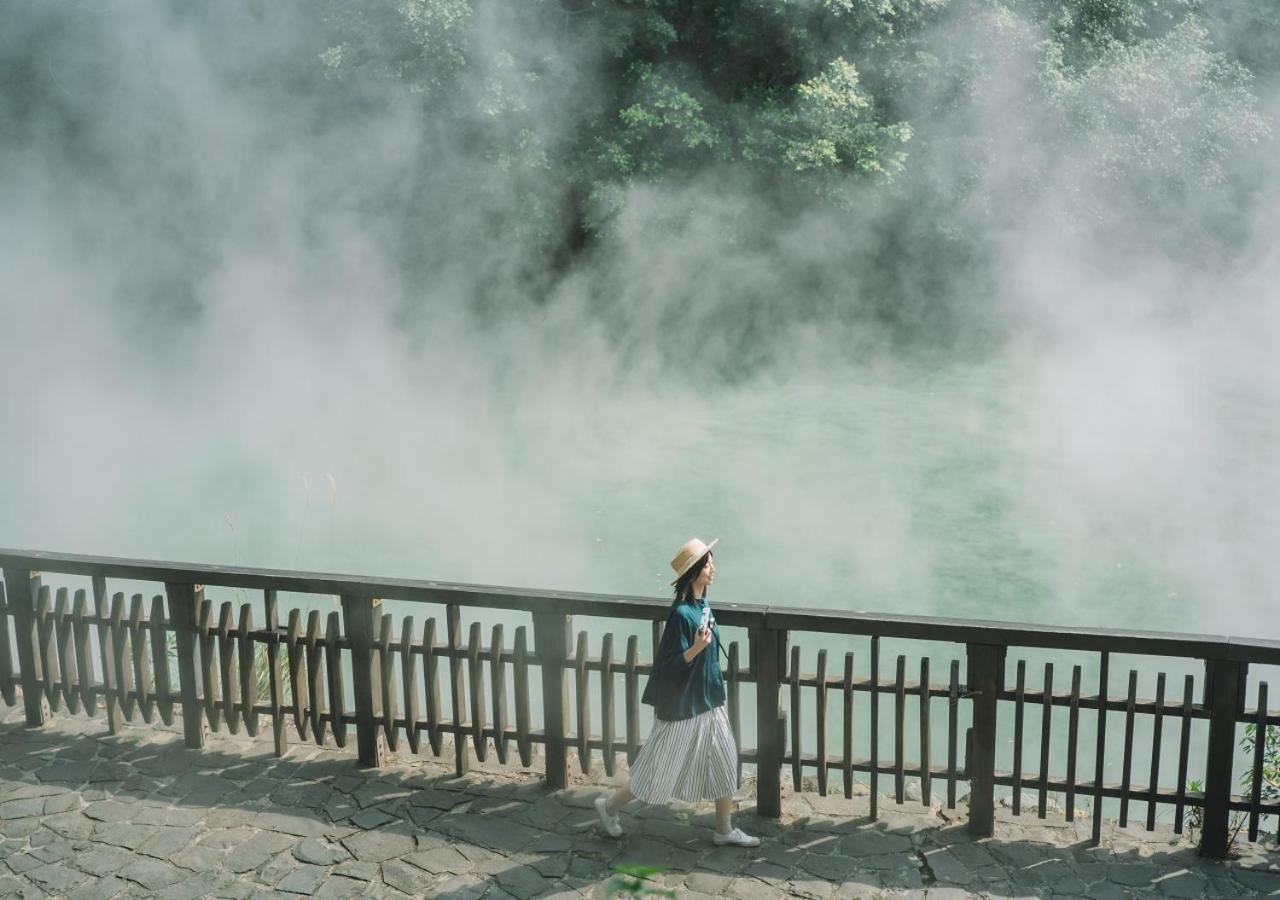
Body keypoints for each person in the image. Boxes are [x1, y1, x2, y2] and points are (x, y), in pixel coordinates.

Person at [593, 538, 760, 847]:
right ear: (694, 571)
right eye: (708, 564)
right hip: (684, 707)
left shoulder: (702, 605)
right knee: (657, 769)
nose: (713, 568)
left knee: (725, 757)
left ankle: (723, 829)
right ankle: (610, 806)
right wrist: (696, 647)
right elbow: (667, 665)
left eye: (712, 562)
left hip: (709, 699)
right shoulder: (682, 614)